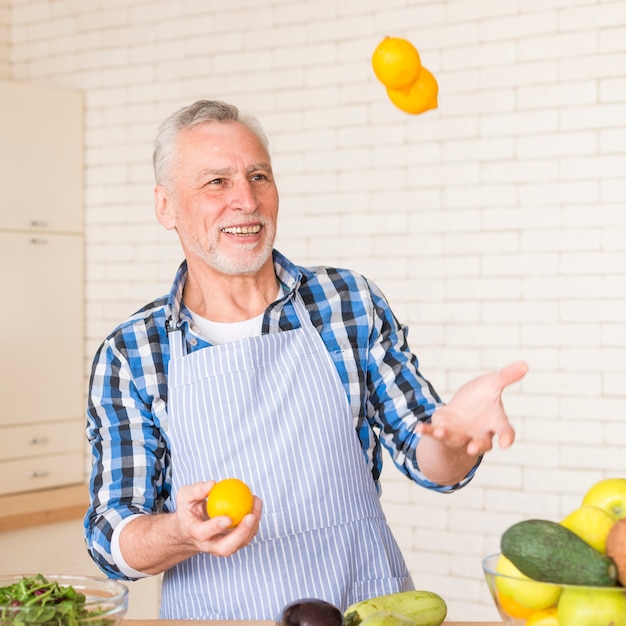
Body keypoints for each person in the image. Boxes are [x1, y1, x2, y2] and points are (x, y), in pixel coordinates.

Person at [84, 99, 528, 620]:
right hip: (216, 613)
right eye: (216, 183)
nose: (246, 201)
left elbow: (428, 458)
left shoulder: (348, 301)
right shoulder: (132, 351)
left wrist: (454, 439)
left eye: (258, 176)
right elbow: (113, 534)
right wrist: (180, 533)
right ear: (165, 207)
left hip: (364, 601)